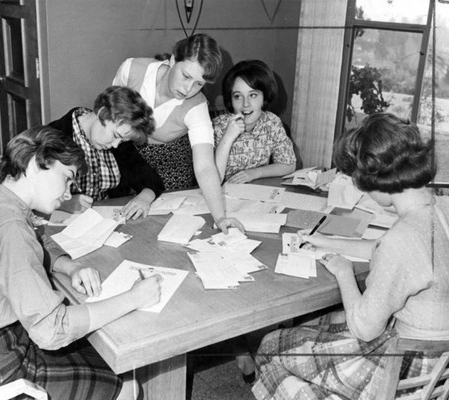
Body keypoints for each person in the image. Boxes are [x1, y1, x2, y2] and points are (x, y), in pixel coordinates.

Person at [0, 126, 162, 400]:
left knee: (98, 355)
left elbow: (33, 240)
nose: (67, 193)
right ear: (37, 165)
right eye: (67, 178)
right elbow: (52, 330)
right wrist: (133, 298)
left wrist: (69, 266)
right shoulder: (8, 223)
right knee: (127, 386)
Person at [253, 113, 449, 400]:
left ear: (376, 180)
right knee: (316, 327)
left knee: (271, 348)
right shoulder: (440, 210)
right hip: (437, 365)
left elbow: (364, 328)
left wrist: (344, 272)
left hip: (398, 372)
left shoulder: (400, 240)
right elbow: (386, 249)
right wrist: (325, 241)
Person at [112, 33, 243, 233]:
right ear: (173, 60)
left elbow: (205, 167)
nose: (189, 88)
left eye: (199, 84)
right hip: (126, 157)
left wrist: (220, 218)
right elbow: (109, 117)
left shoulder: (197, 107)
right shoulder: (131, 69)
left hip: (170, 168)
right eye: (186, 76)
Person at [49, 85, 165, 220]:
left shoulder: (120, 139)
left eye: (122, 140)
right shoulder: (51, 137)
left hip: (105, 223)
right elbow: (27, 192)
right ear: (102, 114)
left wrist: (144, 197)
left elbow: (151, 179)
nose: (116, 145)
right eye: (115, 136)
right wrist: (62, 203)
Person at [213, 60, 296, 184]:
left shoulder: (271, 122)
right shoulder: (217, 126)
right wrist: (228, 137)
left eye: (253, 95)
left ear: (264, 97)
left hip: (257, 192)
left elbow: (288, 164)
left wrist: (253, 173)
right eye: (237, 96)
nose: (245, 104)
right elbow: (212, 180)